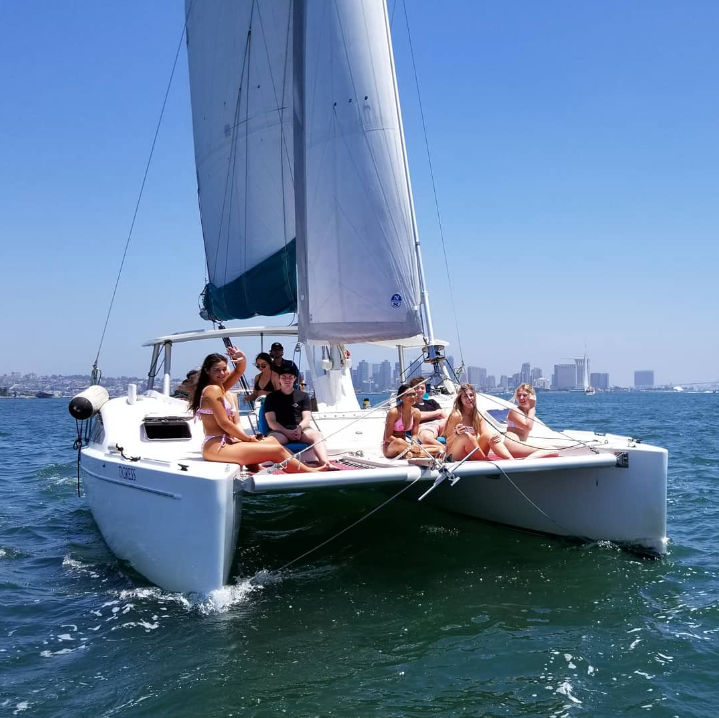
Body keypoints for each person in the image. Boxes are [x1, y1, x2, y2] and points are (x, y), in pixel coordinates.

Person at [189, 348, 316, 473]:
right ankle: (311, 473)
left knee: (271, 441)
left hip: (226, 443)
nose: (222, 373)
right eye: (217, 370)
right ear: (207, 371)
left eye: (224, 369)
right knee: (276, 450)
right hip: (217, 447)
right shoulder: (213, 390)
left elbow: (238, 372)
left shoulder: (219, 387)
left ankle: (256, 468)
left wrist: (242, 359)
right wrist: (248, 439)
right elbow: (224, 423)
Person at [263, 365, 330, 469]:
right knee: (273, 442)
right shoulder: (271, 398)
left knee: (317, 435)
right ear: (279, 378)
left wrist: (299, 429)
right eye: (284, 377)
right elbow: (271, 422)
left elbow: (306, 418)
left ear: (294, 379)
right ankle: (302, 464)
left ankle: (325, 463)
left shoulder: (303, 396)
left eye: (290, 377)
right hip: (280, 431)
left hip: (300, 430)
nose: (287, 379)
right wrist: (287, 432)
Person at [442, 384, 513, 461]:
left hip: (472, 453)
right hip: (454, 454)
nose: (469, 398)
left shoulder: (477, 416)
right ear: (460, 399)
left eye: (471, 395)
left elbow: (485, 435)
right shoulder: (456, 415)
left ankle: (511, 460)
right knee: (466, 436)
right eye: (465, 396)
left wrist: (494, 437)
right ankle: (487, 462)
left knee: (489, 435)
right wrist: (456, 433)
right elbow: (448, 440)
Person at [503, 383, 554, 458]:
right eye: (519, 395)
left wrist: (531, 408)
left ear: (531, 396)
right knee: (551, 450)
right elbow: (527, 427)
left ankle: (526, 462)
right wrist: (532, 407)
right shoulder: (515, 411)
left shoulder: (527, 412)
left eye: (525, 395)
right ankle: (524, 464)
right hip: (511, 444)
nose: (521, 398)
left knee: (550, 450)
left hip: (519, 444)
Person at [382, 384, 422, 459]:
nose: (413, 397)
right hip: (390, 447)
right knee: (399, 441)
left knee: (437, 447)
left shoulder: (416, 413)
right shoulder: (394, 412)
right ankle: (412, 453)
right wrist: (409, 445)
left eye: (414, 394)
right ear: (401, 397)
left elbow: (415, 434)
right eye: (409, 395)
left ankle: (410, 454)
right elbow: (387, 437)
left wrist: (414, 443)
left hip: (406, 446)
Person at [408, 376, 446, 451]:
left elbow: (444, 416)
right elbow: (418, 416)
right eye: (417, 388)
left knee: (455, 417)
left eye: (422, 388)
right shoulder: (410, 405)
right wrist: (437, 412)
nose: (420, 390)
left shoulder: (432, 402)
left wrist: (437, 414)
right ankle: (446, 449)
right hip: (425, 426)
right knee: (427, 438)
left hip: (440, 424)